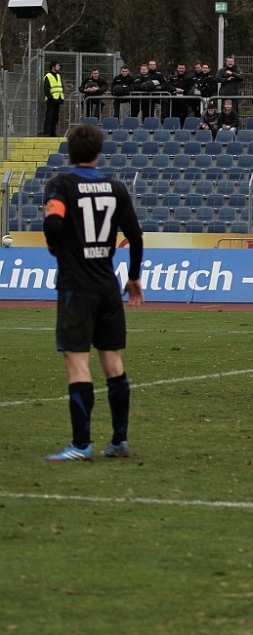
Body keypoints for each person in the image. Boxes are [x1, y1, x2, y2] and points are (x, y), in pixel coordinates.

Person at [41, 123, 144, 461]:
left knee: (77, 361)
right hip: (107, 286)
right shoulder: (116, 188)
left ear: (70, 152)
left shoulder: (61, 185)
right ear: (99, 153)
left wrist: (56, 246)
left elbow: (53, 223)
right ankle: (119, 440)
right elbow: (135, 235)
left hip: (77, 286)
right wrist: (133, 277)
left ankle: (81, 444)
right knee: (112, 362)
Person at [43, 61, 64, 137]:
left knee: (55, 117)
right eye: (57, 65)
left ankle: (53, 132)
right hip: (51, 100)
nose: (59, 67)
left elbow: (61, 87)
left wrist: (61, 98)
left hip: (58, 99)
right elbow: (46, 89)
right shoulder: (48, 76)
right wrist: (50, 97)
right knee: (49, 117)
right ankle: (46, 132)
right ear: (53, 67)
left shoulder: (58, 76)